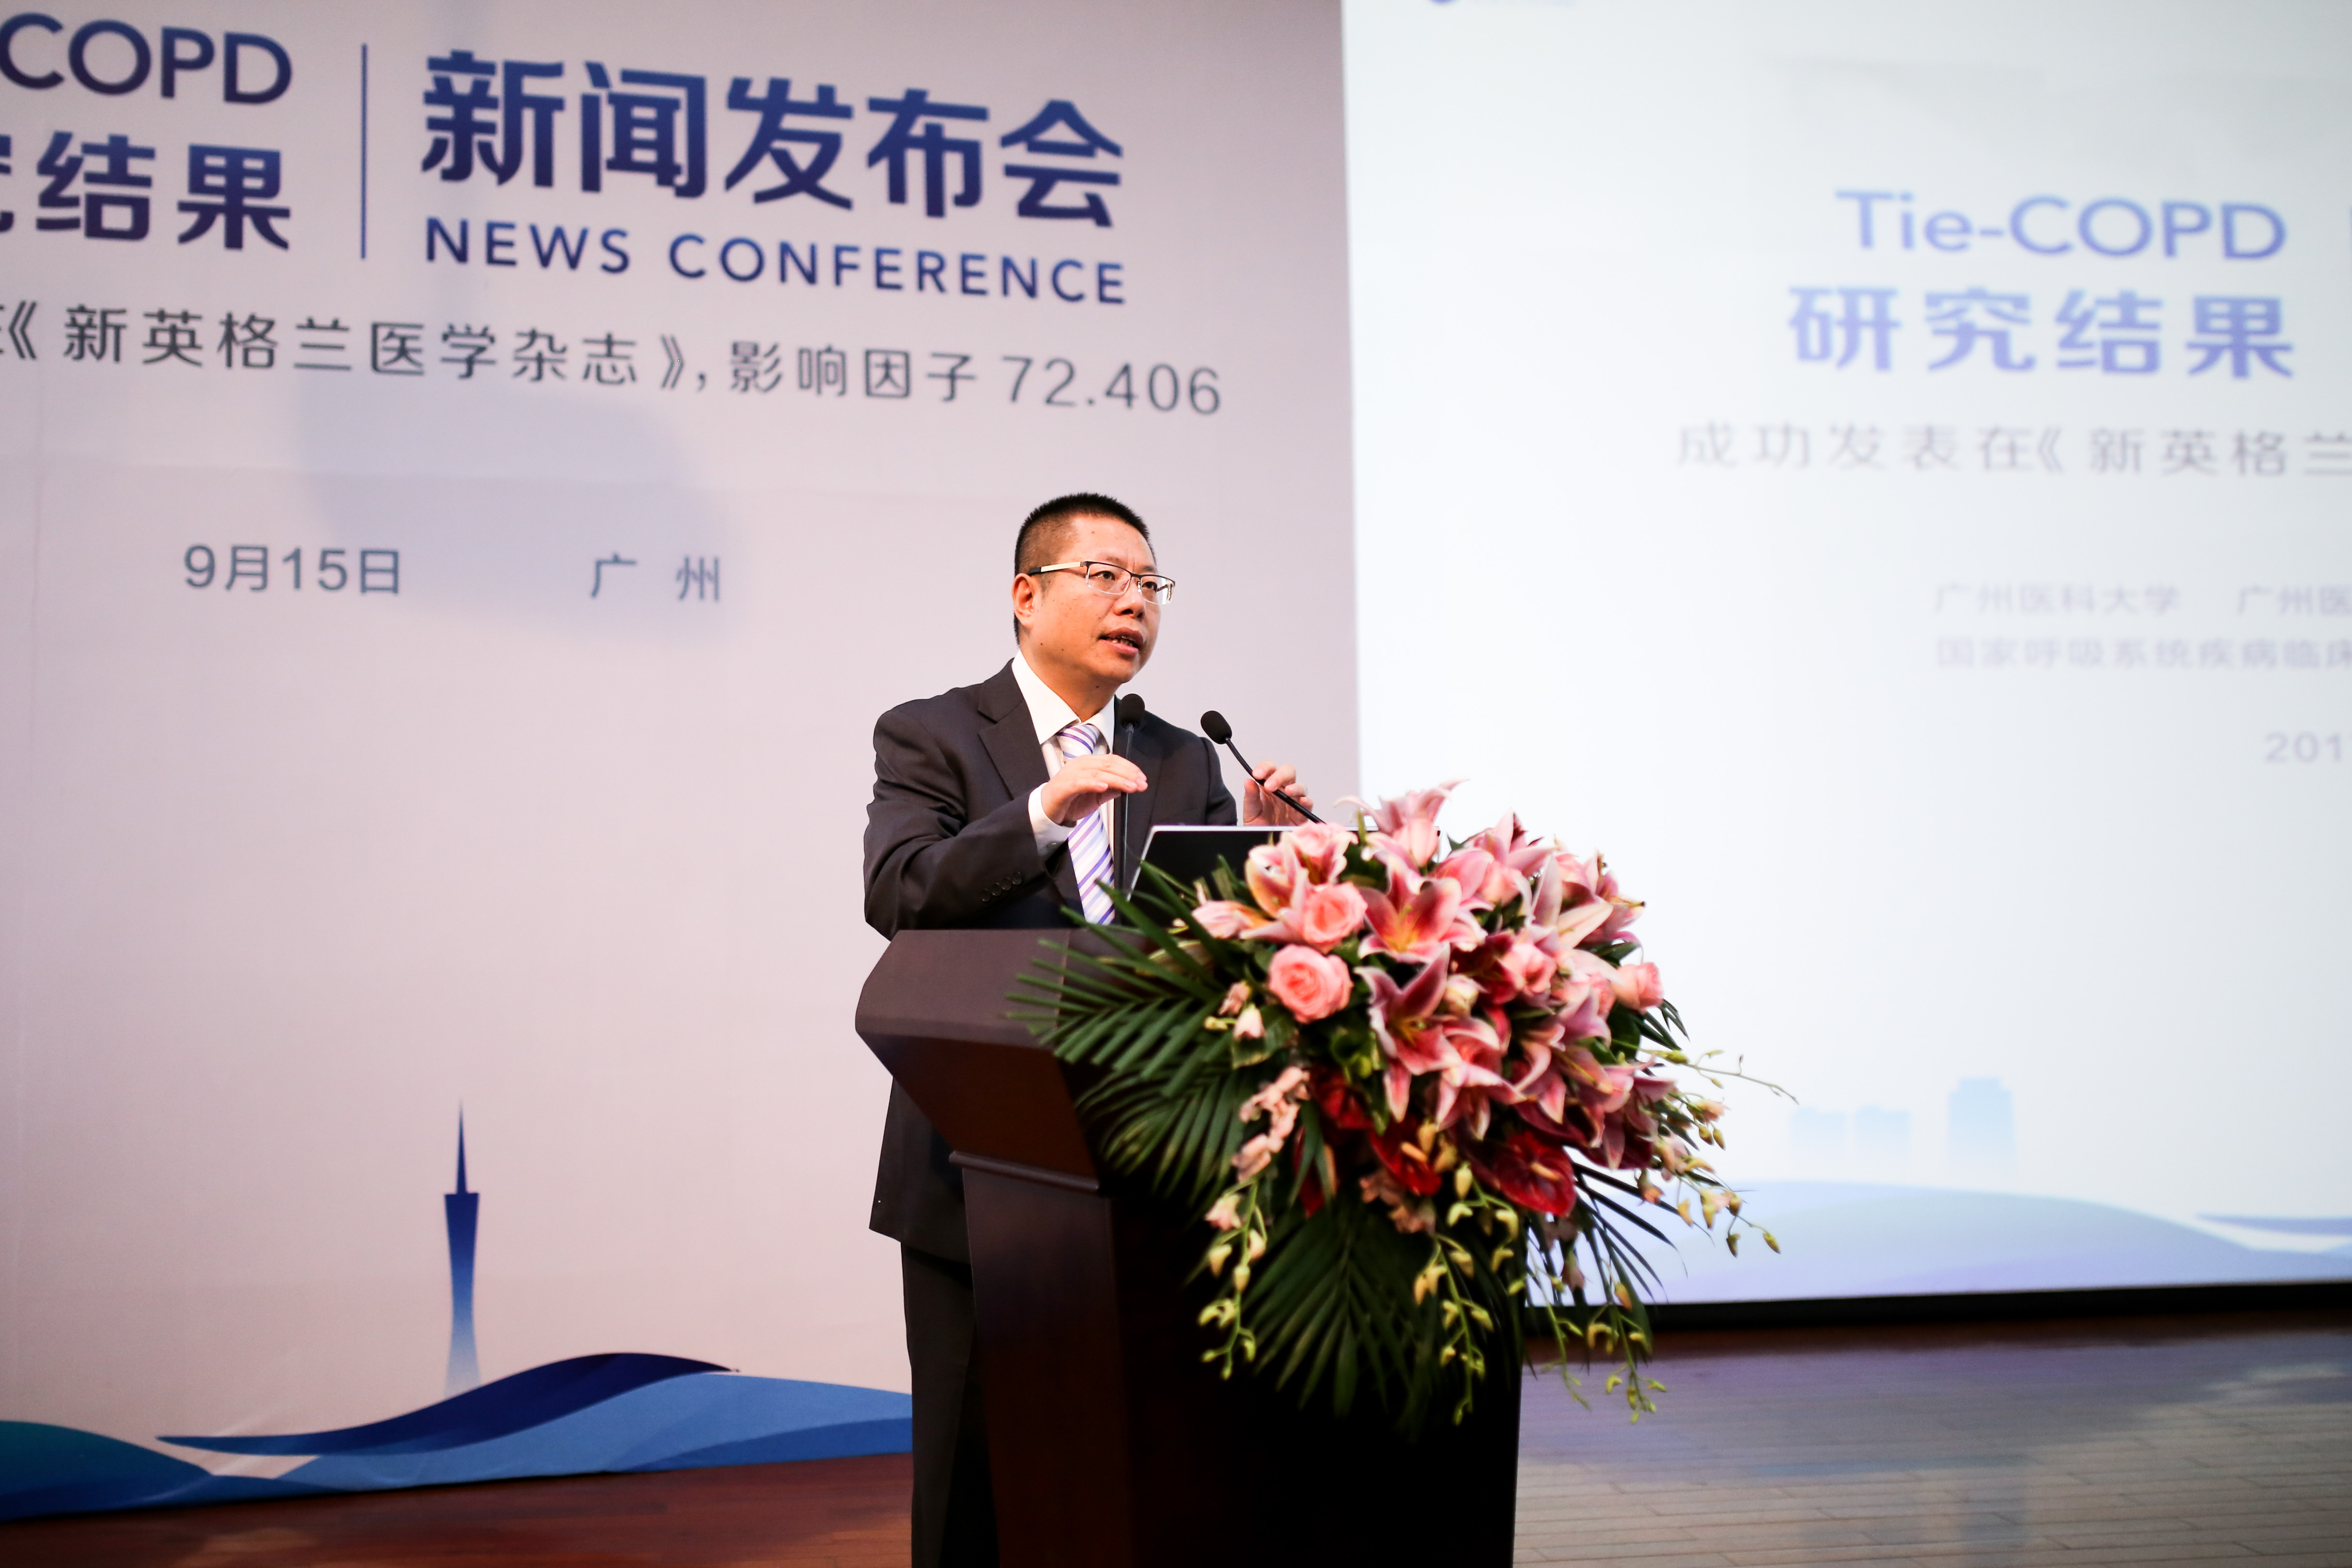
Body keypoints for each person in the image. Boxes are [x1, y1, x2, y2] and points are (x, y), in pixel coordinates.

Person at [862, 493, 1313, 1568]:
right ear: (1027, 596)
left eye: (1149, 584)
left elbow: (1205, 951)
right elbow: (897, 889)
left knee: (1137, 1460)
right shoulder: (933, 732)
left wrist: (1268, 860)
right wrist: (1039, 814)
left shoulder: (1184, 758)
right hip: (978, 1155)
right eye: (1105, 576)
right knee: (971, 1475)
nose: (1133, 602)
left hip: (1153, 1159)